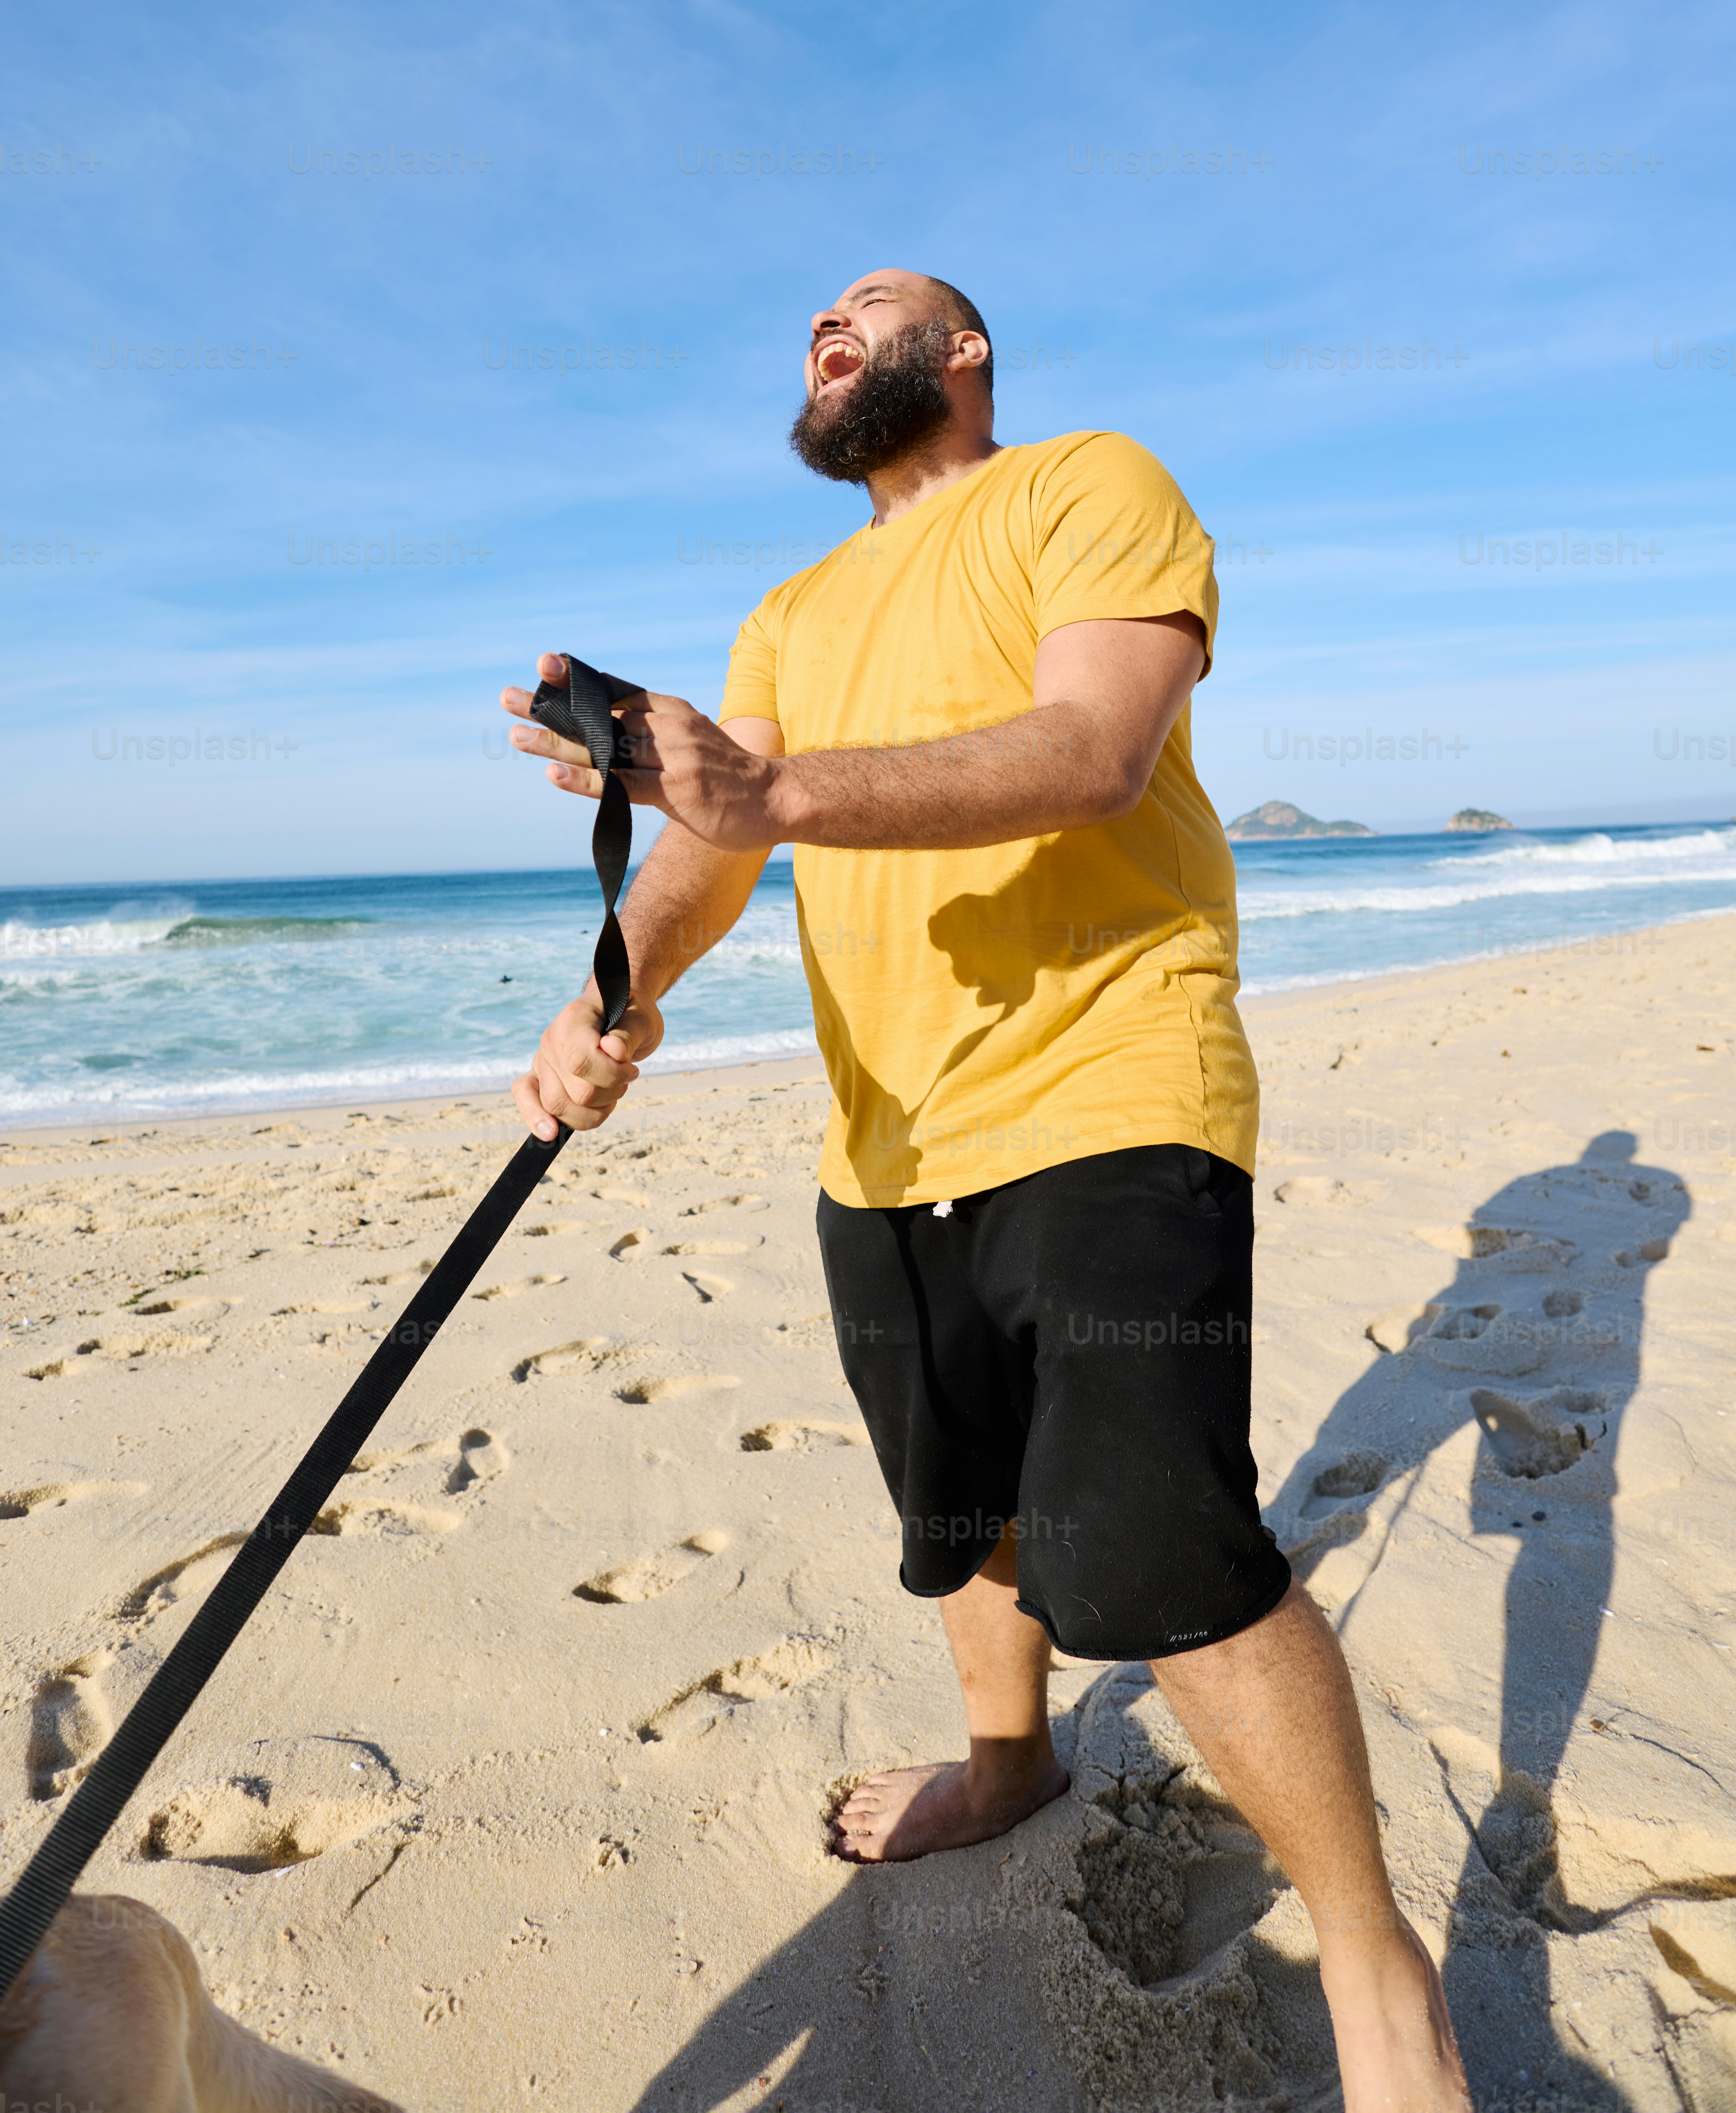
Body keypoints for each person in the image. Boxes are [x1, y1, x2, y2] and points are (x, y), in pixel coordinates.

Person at [502, 269, 1471, 2113]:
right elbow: (716, 854)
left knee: (1172, 1570)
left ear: (966, 357)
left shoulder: (1087, 483)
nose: (824, 331)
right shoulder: (791, 607)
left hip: (1110, 1081)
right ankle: (1011, 1763)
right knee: (969, 1520)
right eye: (808, 321)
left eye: (870, 311)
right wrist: (609, 992)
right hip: (883, 1136)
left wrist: (771, 790)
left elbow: (1090, 753)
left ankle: (1369, 1953)